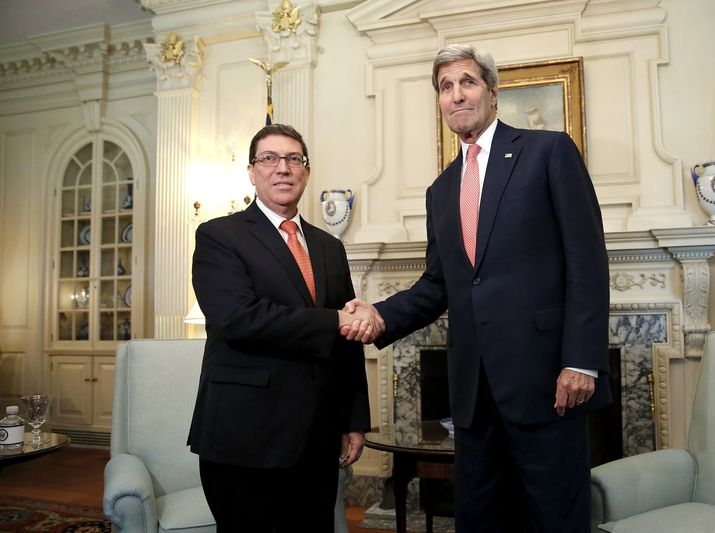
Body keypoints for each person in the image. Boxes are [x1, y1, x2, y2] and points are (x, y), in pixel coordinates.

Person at [344, 44, 611, 532]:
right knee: (480, 521)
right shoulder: (441, 190)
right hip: (472, 393)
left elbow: (588, 262)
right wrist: (380, 315)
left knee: (555, 520)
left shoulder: (549, 151)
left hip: (547, 382)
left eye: (466, 82)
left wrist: (581, 360)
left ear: (492, 90)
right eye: (445, 87)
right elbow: (437, 285)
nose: (456, 95)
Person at [188, 124, 380, 532]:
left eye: (294, 159)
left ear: (306, 172)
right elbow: (239, 318)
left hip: (317, 437)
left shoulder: (329, 247)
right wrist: (333, 320)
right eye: (269, 159)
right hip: (246, 437)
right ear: (252, 171)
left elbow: (346, 345)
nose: (283, 168)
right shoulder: (219, 236)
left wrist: (355, 419)